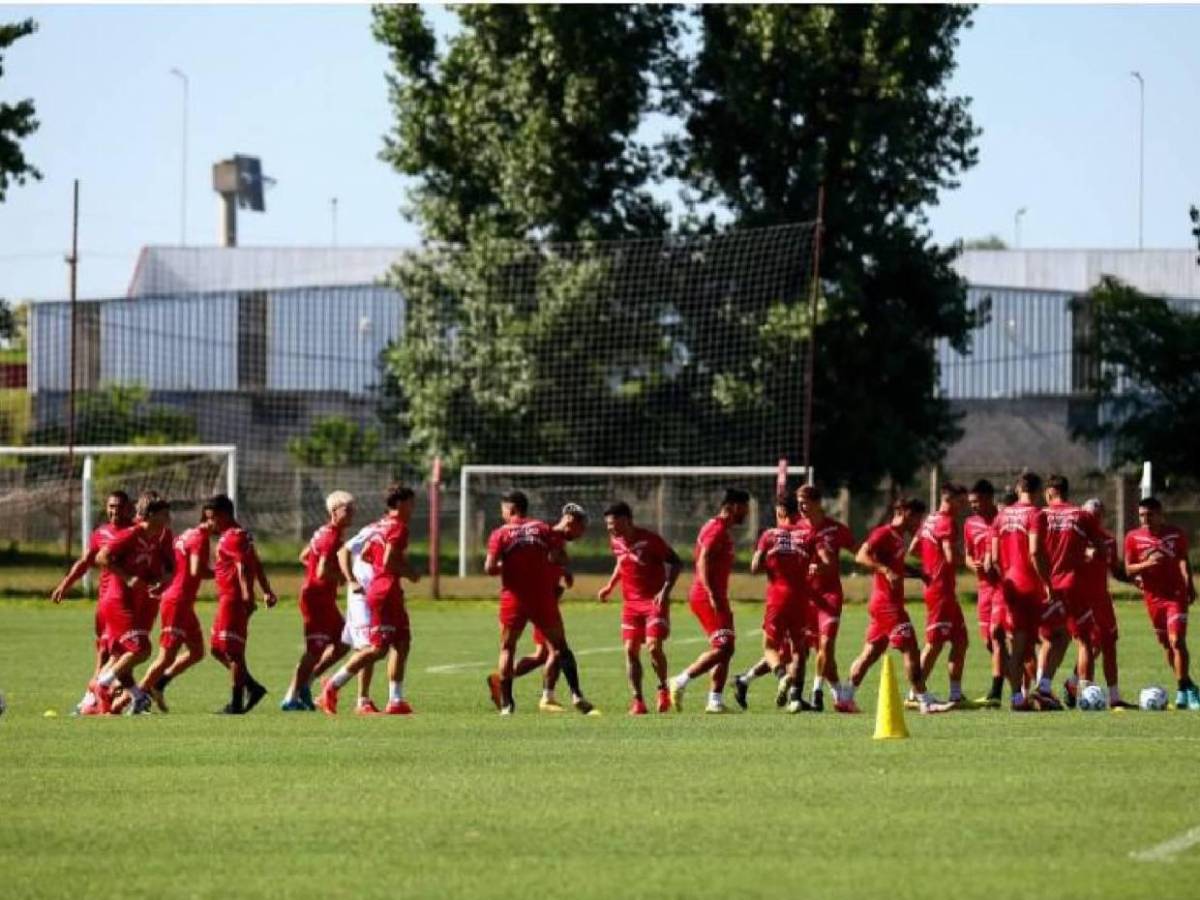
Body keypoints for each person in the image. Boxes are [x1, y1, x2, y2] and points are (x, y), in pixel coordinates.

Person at [484, 490, 597, 716]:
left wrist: (509, 565)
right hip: (542, 598)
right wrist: (559, 568)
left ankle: (507, 705)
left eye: (503, 510)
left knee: (509, 647)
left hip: (514, 598)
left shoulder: (500, 533)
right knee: (558, 648)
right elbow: (558, 557)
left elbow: (489, 568)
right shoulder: (542, 529)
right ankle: (573, 695)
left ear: (511, 509)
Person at [842, 497, 951, 715]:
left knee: (871, 653)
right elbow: (861, 556)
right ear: (903, 513)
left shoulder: (899, 537)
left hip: (884, 603)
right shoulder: (883, 533)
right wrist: (885, 570)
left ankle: (845, 697)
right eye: (916, 518)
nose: (918, 524)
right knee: (910, 648)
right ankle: (924, 701)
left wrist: (917, 573)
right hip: (887, 604)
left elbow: (896, 565)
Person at [319, 484, 421, 715]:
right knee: (377, 649)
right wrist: (410, 573)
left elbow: (359, 553)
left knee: (402, 642)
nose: (413, 508)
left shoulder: (376, 526)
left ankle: (396, 700)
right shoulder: (398, 528)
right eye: (411, 504)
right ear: (400, 504)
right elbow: (388, 561)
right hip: (384, 591)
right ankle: (331, 686)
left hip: (388, 590)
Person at [51, 490, 134, 715]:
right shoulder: (101, 533)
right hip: (107, 604)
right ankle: (100, 698)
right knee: (107, 652)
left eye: (119, 506)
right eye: (111, 506)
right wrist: (65, 585)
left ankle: (105, 697)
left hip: (131, 603)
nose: (115, 511)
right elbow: (85, 562)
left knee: (122, 653)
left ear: (129, 508)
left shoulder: (135, 533)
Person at [668, 488, 750, 714]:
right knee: (723, 646)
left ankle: (715, 701)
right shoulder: (716, 529)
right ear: (733, 506)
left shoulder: (723, 529)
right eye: (745, 507)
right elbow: (702, 561)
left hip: (717, 596)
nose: (747, 513)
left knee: (726, 648)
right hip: (707, 596)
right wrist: (711, 593)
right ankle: (680, 680)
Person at [91, 493, 175, 715]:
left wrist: (158, 583)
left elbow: (156, 569)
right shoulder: (132, 533)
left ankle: (137, 697)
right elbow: (101, 557)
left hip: (132, 600)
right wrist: (127, 578)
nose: (168, 519)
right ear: (152, 515)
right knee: (141, 649)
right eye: (164, 514)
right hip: (117, 600)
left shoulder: (154, 537)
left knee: (125, 654)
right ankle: (102, 684)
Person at [597, 501, 682, 715]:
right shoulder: (615, 541)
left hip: (654, 602)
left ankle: (663, 688)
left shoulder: (650, 540)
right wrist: (609, 586)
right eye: (608, 525)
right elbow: (621, 561)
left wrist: (665, 590)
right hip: (631, 604)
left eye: (613, 523)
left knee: (653, 647)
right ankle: (638, 701)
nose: (610, 528)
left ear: (627, 520)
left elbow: (676, 562)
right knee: (629, 650)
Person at [995, 472, 1064, 711]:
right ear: (1038, 491)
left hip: (1010, 587)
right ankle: (1041, 688)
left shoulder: (1002, 515)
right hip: (1031, 589)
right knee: (1060, 634)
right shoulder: (1036, 515)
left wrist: (1006, 578)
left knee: (1020, 646)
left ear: (1018, 489)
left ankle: (1019, 698)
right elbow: (1035, 552)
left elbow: (993, 558)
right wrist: (1047, 583)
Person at [281, 491, 356, 712]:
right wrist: (341, 576)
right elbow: (322, 571)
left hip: (324, 599)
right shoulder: (330, 537)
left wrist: (319, 572)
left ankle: (308, 682)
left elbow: (305, 556)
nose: (352, 512)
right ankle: (290, 697)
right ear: (334, 512)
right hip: (316, 599)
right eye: (347, 509)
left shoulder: (326, 532)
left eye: (353, 508)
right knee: (314, 650)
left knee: (343, 642)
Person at [740, 494, 814, 714]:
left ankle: (782, 676)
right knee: (799, 649)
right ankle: (795, 699)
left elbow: (754, 567)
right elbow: (817, 562)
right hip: (800, 599)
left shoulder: (769, 535)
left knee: (770, 647)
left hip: (777, 598)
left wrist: (768, 564)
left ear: (780, 511)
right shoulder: (807, 535)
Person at [1124, 496, 1198, 710]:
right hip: (1153, 598)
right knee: (1167, 645)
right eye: (1141, 515)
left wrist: (1189, 583)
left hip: (1175, 595)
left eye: (1149, 515)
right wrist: (1147, 564)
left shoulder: (1175, 533)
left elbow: (1183, 558)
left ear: (1160, 514)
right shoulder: (1133, 537)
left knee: (1177, 641)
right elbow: (1128, 569)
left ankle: (1183, 690)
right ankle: (1187, 686)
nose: (1145, 519)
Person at [204, 493, 276, 715]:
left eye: (213, 518)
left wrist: (247, 596)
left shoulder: (233, 537)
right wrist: (266, 590)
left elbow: (243, 566)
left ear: (225, 515)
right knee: (217, 649)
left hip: (233, 600)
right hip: (226, 599)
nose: (210, 523)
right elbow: (256, 563)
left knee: (233, 652)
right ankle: (252, 688)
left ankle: (236, 704)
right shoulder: (238, 535)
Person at [139, 512, 214, 712]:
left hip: (182, 602)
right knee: (166, 657)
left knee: (197, 652)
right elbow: (196, 570)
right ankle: (135, 696)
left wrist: (163, 583)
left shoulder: (186, 534)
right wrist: (223, 571)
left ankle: (159, 684)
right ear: (209, 519)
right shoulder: (199, 539)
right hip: (177, 602)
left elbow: (173, 564)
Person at [1042, 475, 1107, 706]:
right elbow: (1102, 550)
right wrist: (1086, 554)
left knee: (1049, 639)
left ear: (1050, 492)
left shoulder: (1041, 515)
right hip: (1072, 585)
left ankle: (1041, 689)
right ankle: (1086, 694)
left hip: (1046, 586)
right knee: (1085, 639)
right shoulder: (1082, 516)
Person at [1064, 498, 1133, 709]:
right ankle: (1084, 693)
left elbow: (1115, 570)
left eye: (1098, 515)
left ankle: (1114, 697)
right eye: (1090, 515)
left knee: (1108, 643)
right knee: (1089, 644)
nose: (1094, 519)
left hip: (1103, 600)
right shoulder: (1074, 538)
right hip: (1081, 599)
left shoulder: (1108, 540)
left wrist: (1136, 579)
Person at [795, 485, 855, 711]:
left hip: (830, 595)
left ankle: (817, 691)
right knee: (814, 650)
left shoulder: (835, 529)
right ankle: (839, 693)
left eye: (805, 502)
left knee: (827, 644)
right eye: (799, 502)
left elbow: (859, 550)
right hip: (807, 597)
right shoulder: (796, 529)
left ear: (818, 503)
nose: (801, 506)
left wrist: (882, 566)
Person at [912, 483, 970, 708]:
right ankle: (915, 692)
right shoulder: (947, 522)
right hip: (941, 590)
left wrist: (930, 561)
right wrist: (969, 560)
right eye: (961, 502)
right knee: (934, 643)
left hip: (943, 590)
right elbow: (950, 557)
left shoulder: (929, 519)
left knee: (961, 641)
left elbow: (914, 548)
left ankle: (955, 694)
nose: (963, 506)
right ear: (950, 499)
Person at [333, 514, 388, 714]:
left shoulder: (392, 532)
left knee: (362, 648)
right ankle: (341, 692)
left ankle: (359, 699)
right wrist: (352, 580)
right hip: (361, 598)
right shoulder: (373, 530)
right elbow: (343, 551)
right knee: (369, 647)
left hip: (374, 597)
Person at [964, 480, 1006, 707]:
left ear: (989, 498)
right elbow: (967, 556)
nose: (973, 506)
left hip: (1002, 587)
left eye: (977, 501)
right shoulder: (970, 523)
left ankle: (996, 692)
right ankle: (1019, 676)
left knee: (996, 634)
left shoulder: (1004, 519)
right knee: (989, 642)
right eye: (971, 502)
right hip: (984, 589)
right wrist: (974, 566)